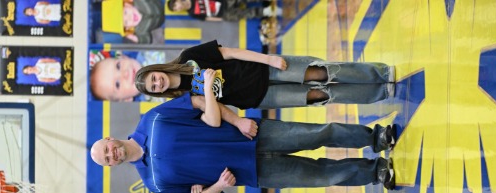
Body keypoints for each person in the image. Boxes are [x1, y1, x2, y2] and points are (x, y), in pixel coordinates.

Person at [89, 93, 396, 193]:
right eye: (107, 160)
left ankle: (376, 138)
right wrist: (218, 186)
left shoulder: (152, 119)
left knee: (318, 133)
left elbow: (198, 102)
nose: (111, 154)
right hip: (253, 172)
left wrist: (237, 121)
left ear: (110, 138)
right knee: (320, 176)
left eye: (107, 149)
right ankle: (375, 172)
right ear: (112, 166)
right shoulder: (153, 182)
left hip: (252, 135)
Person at [134, 40, 395, 108]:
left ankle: (379, 72)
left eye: (153, 78)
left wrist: (268, 58)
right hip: (259, 98)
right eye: (153, 87)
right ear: (158, 93)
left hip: (262, 68)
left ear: (157, 69)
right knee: (320, 96)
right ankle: (380, 92)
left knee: (321, 72)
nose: (157, 83)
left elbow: (230, 53)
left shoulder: (189, 57)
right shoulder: (183, 99)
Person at [167, 0, 281, 22]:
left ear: (177, 0)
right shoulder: (191, 14)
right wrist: (220, 19)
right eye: (175, 10)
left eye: (175, 5)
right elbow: (206, 18)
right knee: (245, 14)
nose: (178, 8)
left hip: (224, 1)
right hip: (223, 14)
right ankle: (267, 11)